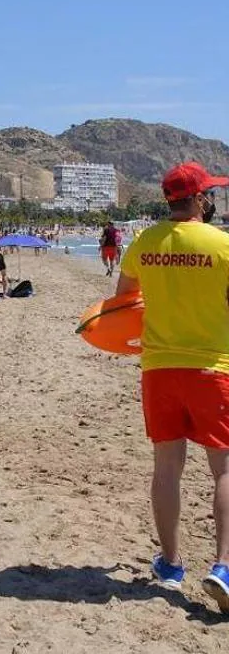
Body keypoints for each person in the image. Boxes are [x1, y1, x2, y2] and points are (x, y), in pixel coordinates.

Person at [115, 162, 229, 610]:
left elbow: (124, 298)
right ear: (200, 199)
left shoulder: (145, 242)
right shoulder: (223, 244)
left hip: (159, 367)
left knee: (167, 468)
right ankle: (223, 566)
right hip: (213, 368)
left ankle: (170, 564)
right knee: (223, 468)